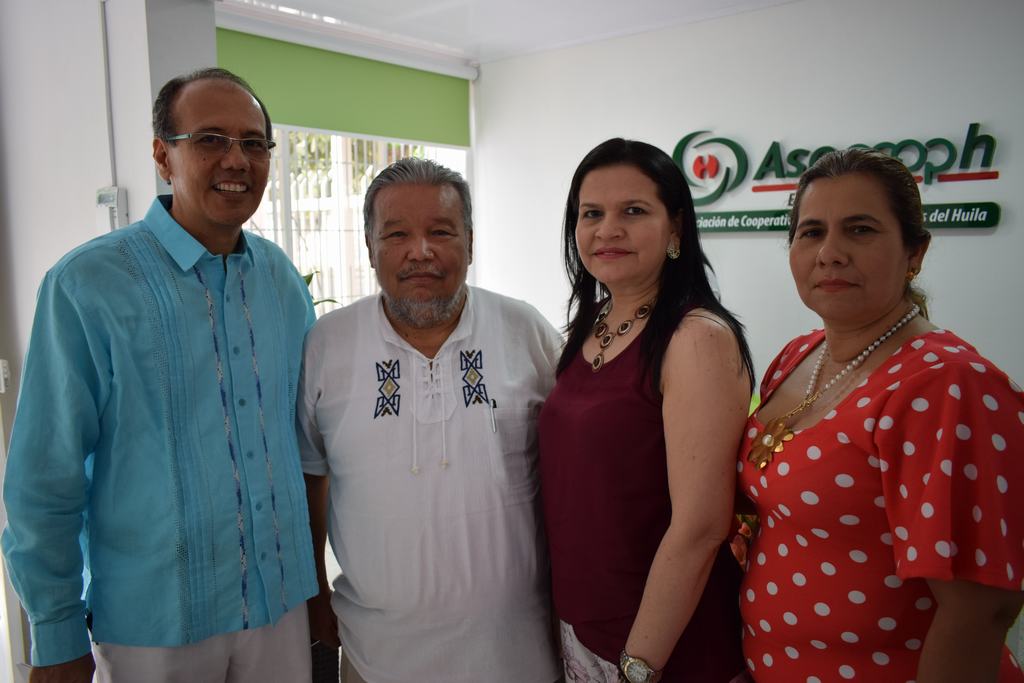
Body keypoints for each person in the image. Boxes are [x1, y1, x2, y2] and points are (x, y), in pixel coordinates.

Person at [2, 68, 318, 683]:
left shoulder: (280, 281)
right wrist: (56, 631)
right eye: (209, 139)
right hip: (154, 628)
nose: (236, 159)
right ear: (162, 155)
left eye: (254, 143)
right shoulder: (86, 285)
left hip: (277, 607)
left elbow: (305, 435)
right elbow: (46, 478)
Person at [738, 148, 1024, 682]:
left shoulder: (945, 383)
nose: (830, 253)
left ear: (915, 252)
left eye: (860, 230)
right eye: (810, 232)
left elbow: (980, 611)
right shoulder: (797, 355)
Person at [298, 157, 563, 683]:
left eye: (440, 231)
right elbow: (310, 478)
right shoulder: (327, 345)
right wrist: (315, 595)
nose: (420, 252)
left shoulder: (526, 332)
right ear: (370, 247)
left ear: (469, 239)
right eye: (397, 234)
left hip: (519, 655)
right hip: (378, 658)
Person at [539, 138, 755, 683]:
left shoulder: (695, 337)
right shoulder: (590, 329)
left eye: (633, 211)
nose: (607, 229)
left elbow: (702, 527)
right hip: (586, 629)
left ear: (676, 227)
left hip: (662, 645)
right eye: (592, 213)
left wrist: (639, 665)